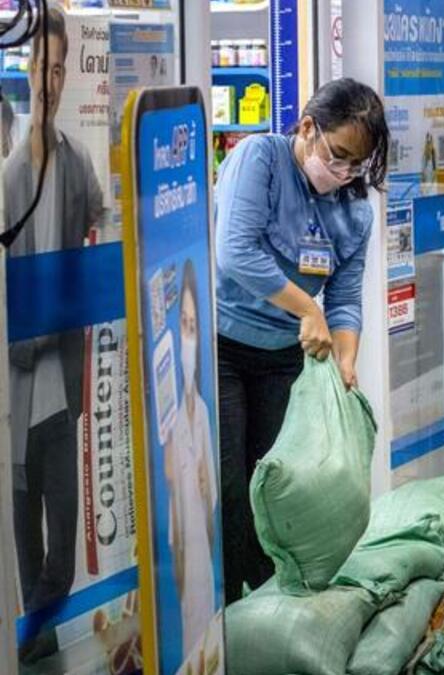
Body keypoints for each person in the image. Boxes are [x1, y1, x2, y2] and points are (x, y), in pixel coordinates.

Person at [214, 77, 389, 602]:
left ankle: (270, 605)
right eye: (337, 155)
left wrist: (346, 359)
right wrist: (305, 307)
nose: (342, 173)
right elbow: (235, 251)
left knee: (273, 487)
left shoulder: (354, 210)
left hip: (284, 361)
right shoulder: (260, 160)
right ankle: (226, 613)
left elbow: (345, 298)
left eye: (355, 165)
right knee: (227, 486)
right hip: (221, 350)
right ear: (308, 127)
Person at [3, 6, 107, 660]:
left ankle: (34, 637)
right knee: (22, 543)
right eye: (43, 65)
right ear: (26, 67)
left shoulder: (72, 161)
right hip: (14, 393)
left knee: (59, 554)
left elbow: (98, 213)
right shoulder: (10, 174)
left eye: (61, 67)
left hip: (60, 386)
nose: (52, 78)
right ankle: (31, 650)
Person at [165, 260, 217, 658]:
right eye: (183, 324)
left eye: (193, 327)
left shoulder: (200, 412)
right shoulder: (169, 421)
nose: (188, 336)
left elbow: (210, 499)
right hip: (180, 572)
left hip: (204, 565)